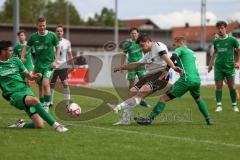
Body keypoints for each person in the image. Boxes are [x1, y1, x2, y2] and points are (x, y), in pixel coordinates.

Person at [135, 36, 213, 126]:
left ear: (181, 42)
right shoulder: (191, 52)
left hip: (186, 80)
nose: (173, 46)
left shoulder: (180, 49)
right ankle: (208, 119)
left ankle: (149, 119)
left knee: (163, 98)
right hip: (196, 80)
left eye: (175, 44)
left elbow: (173, 57)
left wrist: (166, 70)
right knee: (198, 99)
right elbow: (182, 63)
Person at [108, 34, 183, 125]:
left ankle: (118, 107)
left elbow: (166, 58)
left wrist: (174, 67)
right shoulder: (147, 54)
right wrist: (121, 67)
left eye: (142, 45)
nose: (141, 48)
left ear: (148, 42)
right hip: (149, 76)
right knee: (132, 92)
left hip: (161, 75)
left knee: (141, 93)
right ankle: (126, 120)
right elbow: (136, 64)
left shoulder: (158, 45)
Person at [0, 40, 68, 132]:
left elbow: (29, 76)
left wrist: (34, 77)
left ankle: (20, 125)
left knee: (39, 125)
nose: (12, 52)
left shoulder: (15, 61)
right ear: (3, 51)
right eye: (10, 51)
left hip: (25, 90)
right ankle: (57, 126)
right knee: (35, 100)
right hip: (13, 94)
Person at [21, 17, 61, 112]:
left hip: (49, 65)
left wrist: (55, 61)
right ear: (37, 26)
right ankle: (42, 105)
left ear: (46, 25)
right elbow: (26, 48)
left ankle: (46, 106)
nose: (42, 27)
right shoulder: (33, 37)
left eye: (44, 25)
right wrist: (22, 56)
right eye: (40, 26)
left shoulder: (52, 35)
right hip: (38, 65)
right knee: (40, 87)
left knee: (45, 83)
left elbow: (58, 47)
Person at [208, 21, 240, 112]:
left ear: (225, 28)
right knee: (219, 86)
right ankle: (219, 105)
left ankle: (234, 105)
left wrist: (238, 62)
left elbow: (238, 51)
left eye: (222, 28)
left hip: (229, 66)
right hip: (218, 67)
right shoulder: (215, 41)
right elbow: (214, 53)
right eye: (218, 28)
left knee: (232, 86)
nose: (220, 30)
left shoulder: (232, 40)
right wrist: (210, 65)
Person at [121, 27, 149, 108]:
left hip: (141, 65)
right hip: (131, 65)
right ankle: (130, 100)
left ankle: (142, 100)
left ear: (138, 34)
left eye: (135, 33)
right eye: (132, 33)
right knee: (132, 84)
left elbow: (147, 51)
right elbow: (123, 54)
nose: (133, 35)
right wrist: (122, 65)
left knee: (144, 83)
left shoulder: (141, 42)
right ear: (130, 35)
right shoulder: (127, 44)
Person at [50, 25, 75, 109]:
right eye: (57, 31)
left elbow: (70, 54)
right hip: (53, 66)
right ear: (55, 32)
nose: (59, 32)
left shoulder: (66, 42)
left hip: (63, 66)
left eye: (60, 31)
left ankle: (67, 104)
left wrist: (73, 66)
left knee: (65, 83)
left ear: (63, 32)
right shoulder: (51, 42)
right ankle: (50, 101)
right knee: (51, 84)